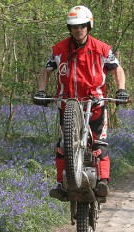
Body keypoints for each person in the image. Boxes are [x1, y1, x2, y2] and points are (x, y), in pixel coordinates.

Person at [33, 5, 129, 203]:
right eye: (75, 26)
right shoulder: (58, 50)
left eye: (83, 26)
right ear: (70, 28)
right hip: (67, 104)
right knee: (62, 145)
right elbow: (45, 71)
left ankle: (103, 181)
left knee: (99, 144)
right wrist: (41, 91)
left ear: (89, 26)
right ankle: (61, 184)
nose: (79, 30)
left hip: (95, 105)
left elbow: (118, 70)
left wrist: (121, 90)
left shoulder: (102, 49)